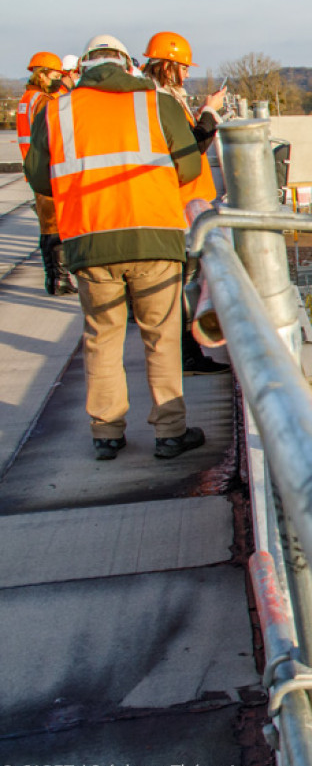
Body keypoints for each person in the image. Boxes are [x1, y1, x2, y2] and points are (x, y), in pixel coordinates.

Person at [23, 33, 207, 461]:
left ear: (82, 68)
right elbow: (189, 166)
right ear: (127, 65)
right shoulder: (155, 104)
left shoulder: (56, 111)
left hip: (88, 241)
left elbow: (38, 179)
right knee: (161, 337)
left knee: (101, 339)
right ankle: (170, 432)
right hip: (154, 237)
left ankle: (106, 433)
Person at [142, 31, 230, 376]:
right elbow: (188, 151)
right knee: (178, 288)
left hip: (183, 204)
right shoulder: (159, 99)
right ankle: (186, 355)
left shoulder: (164, 98)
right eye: (183, 67)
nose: (188, 74)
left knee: (182, 286)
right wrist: (209, 113)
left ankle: (187, 354)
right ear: (167, 66)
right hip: (176, 206)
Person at [17, 51, 76, 295]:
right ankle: (59, 280)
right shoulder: (42, 100)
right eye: (55, 74)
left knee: (47, 225)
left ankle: (54, 278)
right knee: (54, 225)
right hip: (47, 168)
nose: (58, 79)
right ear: (43, 74)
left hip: (33, 167)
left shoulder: (26, 98)